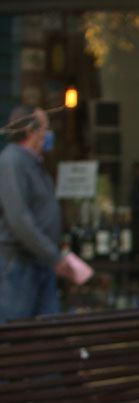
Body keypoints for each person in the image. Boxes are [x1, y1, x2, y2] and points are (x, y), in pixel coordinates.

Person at [0, 105, 73, 322]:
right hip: (19, 266)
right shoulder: (11, 162)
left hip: (40, 262)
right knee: (16, 335)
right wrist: (52, 255)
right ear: (31, 131)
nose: (47, 134)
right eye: (44, 128)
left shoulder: (33, 162)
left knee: (48, 335)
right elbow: (19, 218)